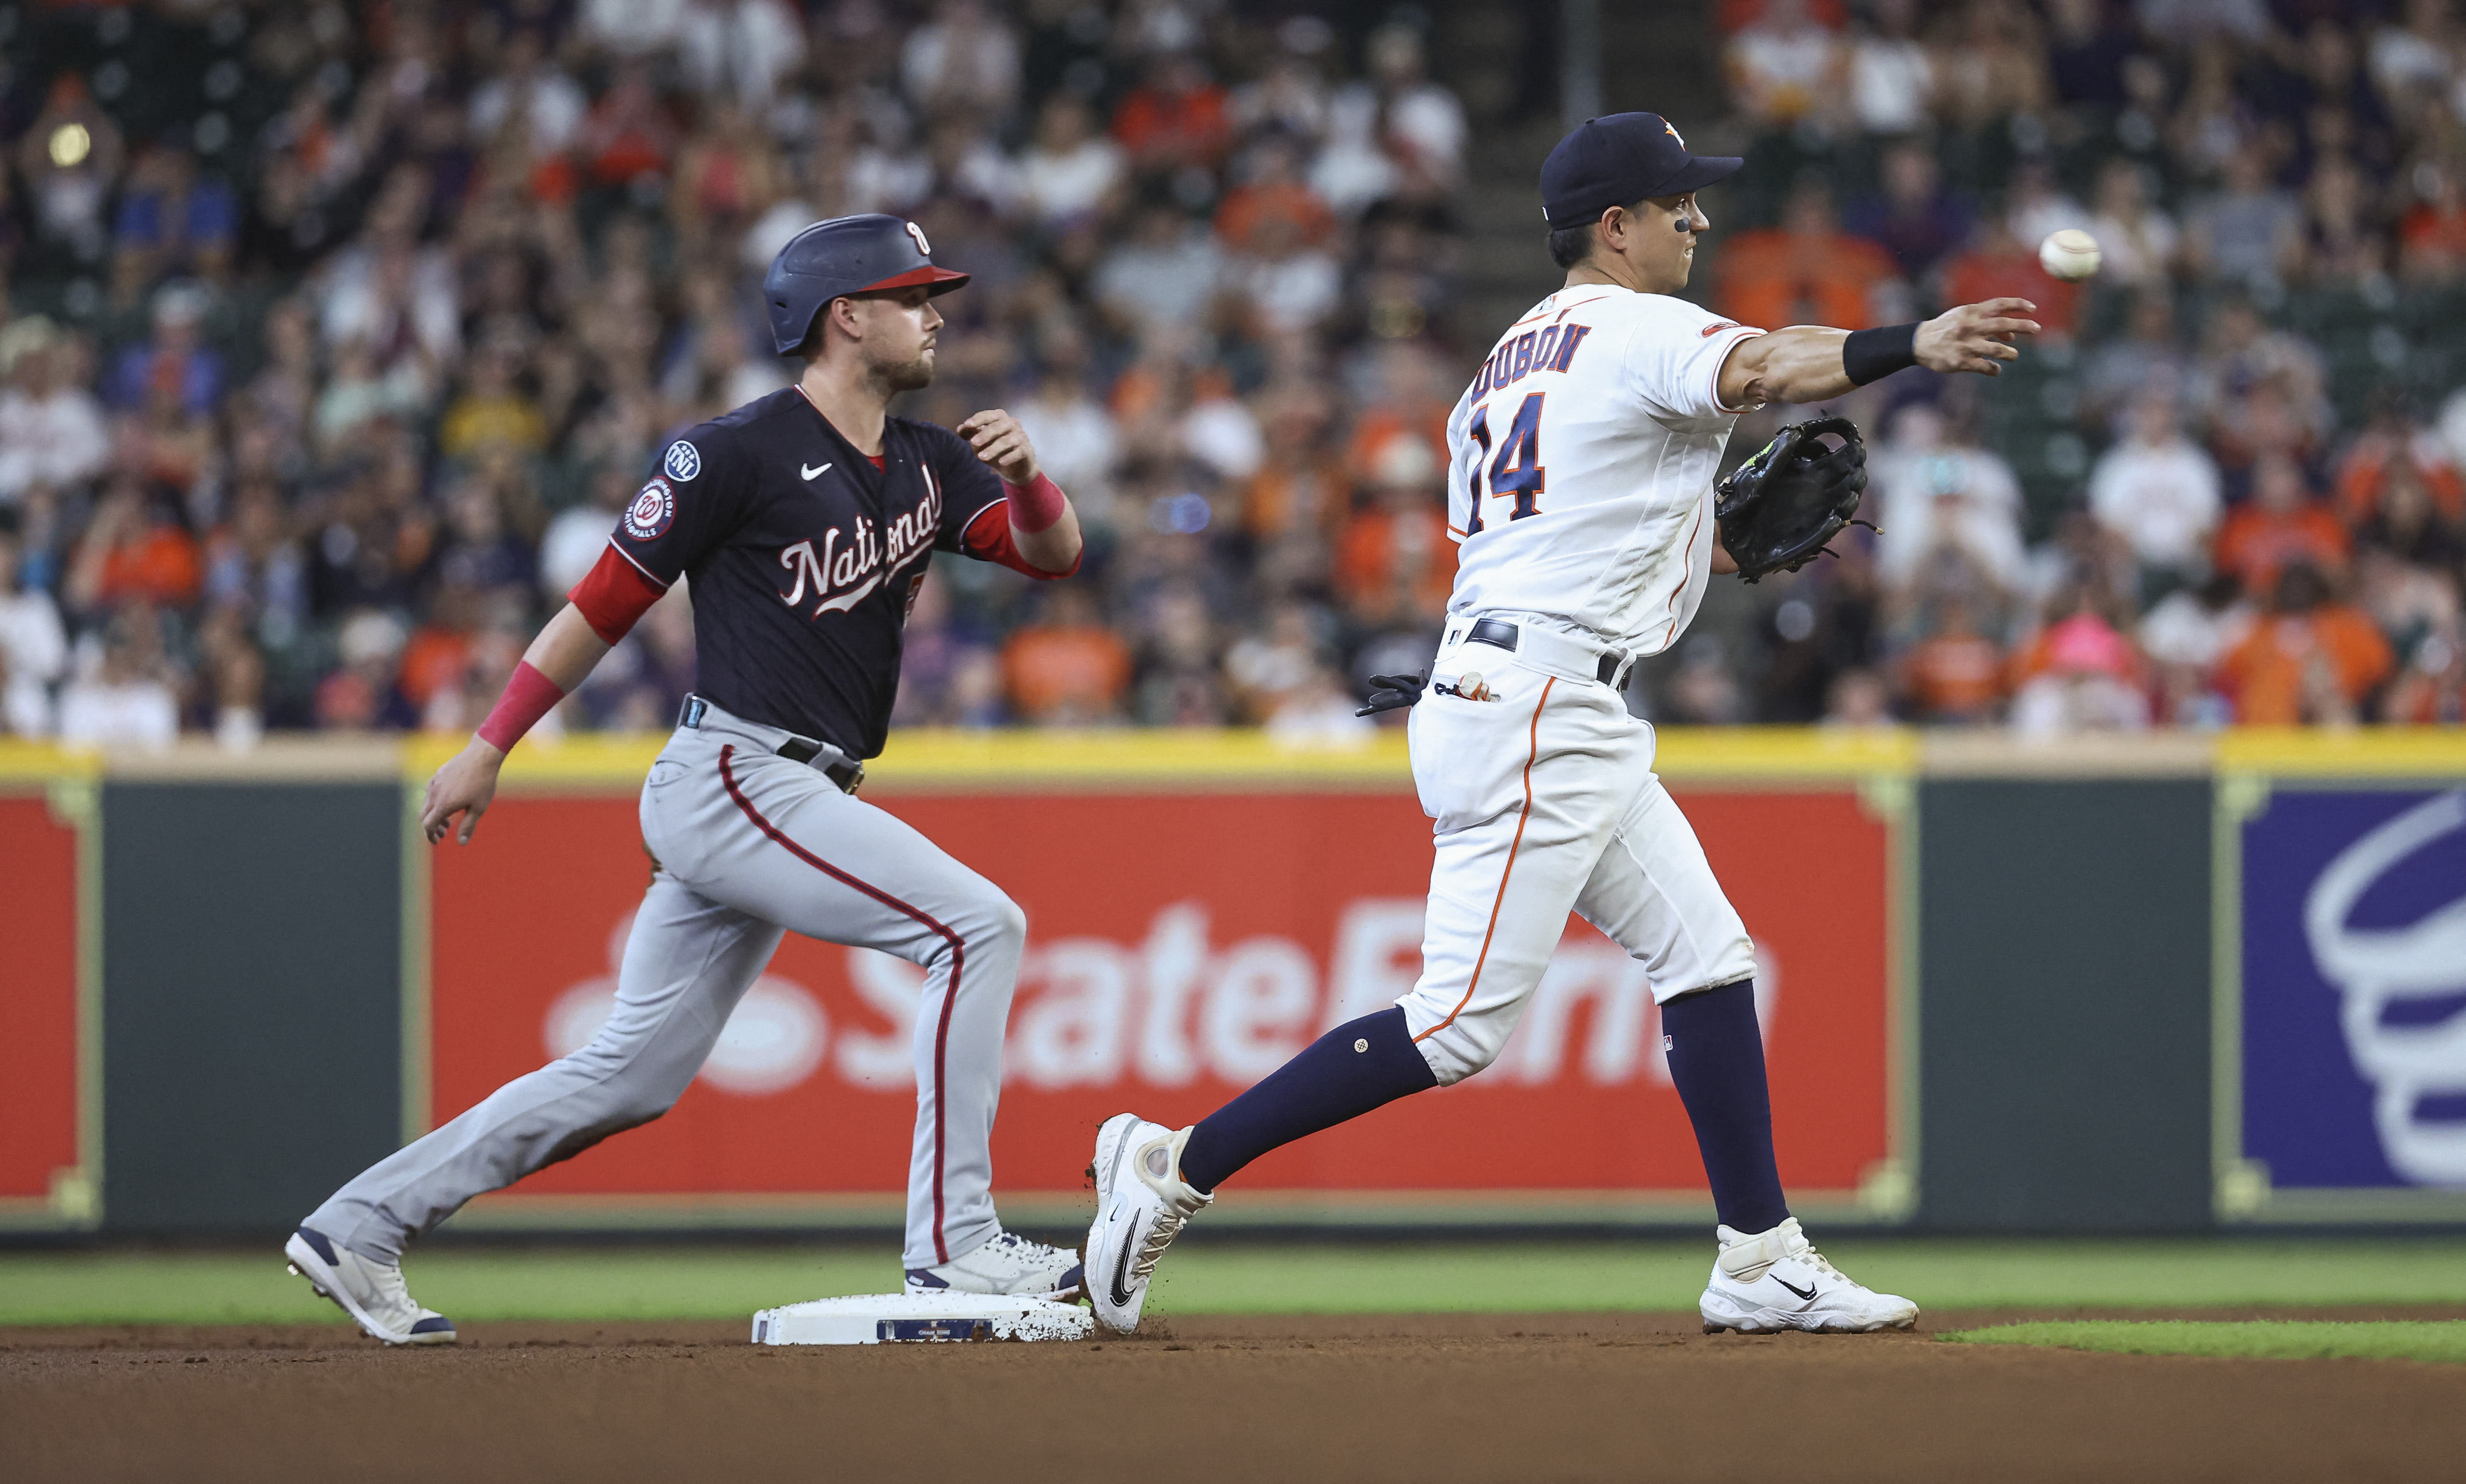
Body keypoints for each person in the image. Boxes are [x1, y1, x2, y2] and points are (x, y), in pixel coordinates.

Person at [1082, 112, 2036, 1336]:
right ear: (1613, 227)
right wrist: (1913, 341)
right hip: (1539, 703)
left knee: (1706, 956)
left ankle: (1760, 1257)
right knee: (1458, 1024)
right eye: (1675, 201)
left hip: (1526, 683)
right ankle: (1174, 1163)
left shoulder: (1505, 360)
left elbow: (1584, 527)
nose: (1697, 218)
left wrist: (1718, 542)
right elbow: (1764, 370)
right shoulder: (1636, 325)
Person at [285, 215, 1090, 1345]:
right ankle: (953, 1244)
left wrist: (1035, 478)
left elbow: (1053, 557)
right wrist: (490, 742)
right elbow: (605, 602)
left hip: (793, 788)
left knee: (630, 1075)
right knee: (977, 927)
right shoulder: (734, 450)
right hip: (738, 771)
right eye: (912, 296)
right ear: (844, 316)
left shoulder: (931, 459)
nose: (936, 312)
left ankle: (359, 1222)